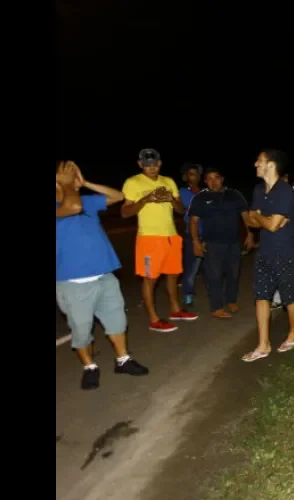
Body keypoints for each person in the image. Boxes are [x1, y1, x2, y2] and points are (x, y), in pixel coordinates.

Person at [56, 161, 149, 390]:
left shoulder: (86, 201)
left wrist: (84, 182)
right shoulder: (65, 205)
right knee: (81, 329)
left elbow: (119, 196)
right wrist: (67, 186)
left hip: (104, 276)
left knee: (117, 321)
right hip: (72, 283)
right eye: (64, 174)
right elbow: (72, 207)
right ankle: (89, 367)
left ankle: (123, 360)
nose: (70, 176)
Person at [121, 148, 198, 332]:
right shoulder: (133, 182)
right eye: (147, 165)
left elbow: (181, 210)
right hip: (149, 238)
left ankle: (175, 310)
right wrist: (145, 199)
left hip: (171, 236)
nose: (151, 168)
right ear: (140, 164)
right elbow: (125, 212)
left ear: (160, 163)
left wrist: (171, 199)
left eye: (154, 164)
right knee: (150, 279)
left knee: (173, 275)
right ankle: (154, 319)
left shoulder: (168, 181)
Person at [241, 149, 294, 362]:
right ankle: (263, 345)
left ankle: (293, 334)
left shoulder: (285, 191)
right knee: (261, 297)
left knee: (288, 298)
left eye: (260, 161)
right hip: (264, 253)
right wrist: (262, 218)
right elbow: (250, 220)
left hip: (285, 254)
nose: (256, 164)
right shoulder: (259, 190)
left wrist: (261, 217)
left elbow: (273, 225)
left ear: (271, 165)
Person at [188, 167, 250, 319]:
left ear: (222, 179)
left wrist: (250, 234)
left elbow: (245, 216)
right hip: (212, 243)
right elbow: (193, 221)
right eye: (209, 179)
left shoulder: (234, 195)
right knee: (213, 276)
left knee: (233, 273)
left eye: (216, 178)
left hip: (233, 242)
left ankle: (231, 300)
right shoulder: (200, 198)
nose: (213, 182)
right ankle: (216, 307)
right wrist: (196, 242)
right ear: (205, 181)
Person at [179, 162, 204, 306]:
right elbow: (185, 209)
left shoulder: (205, 192)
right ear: (185, 177)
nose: (193, 176)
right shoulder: (183, 192)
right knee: (191, 267)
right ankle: (188, 294)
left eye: (196, 173)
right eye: (190, 174)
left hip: (208, 233)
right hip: (193, 234)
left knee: (212, 267)